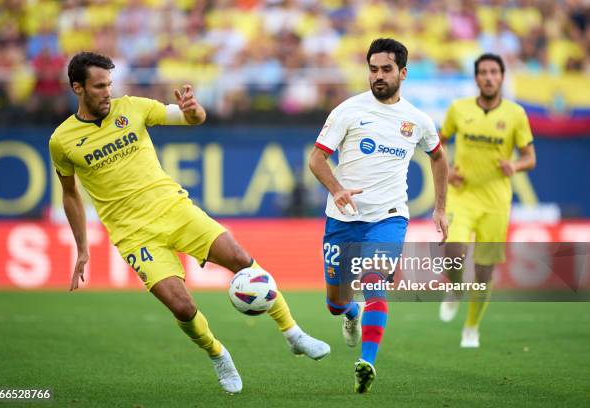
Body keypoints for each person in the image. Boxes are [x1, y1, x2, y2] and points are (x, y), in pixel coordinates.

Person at [49, 52, 330, 394]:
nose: (107, 92)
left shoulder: (133, 107)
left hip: (175, 210)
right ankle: (218, 354)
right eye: (99, 86)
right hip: (134, 235)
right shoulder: (62, 141)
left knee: (242, 260)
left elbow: (192, 119)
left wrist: (192, 109)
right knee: (182, 306)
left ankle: (294, 334)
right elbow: (70, 195)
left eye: (109, 84)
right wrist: (82, 247)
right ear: (77, 88)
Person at [309, 38, 448, 393]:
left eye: (386, 69)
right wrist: (337, 189)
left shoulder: (417, 120)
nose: (378, 76)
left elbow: (438, 157)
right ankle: (351, 314)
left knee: (374, 281)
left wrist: (440, 207)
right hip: (342, 218)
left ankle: (367, 362)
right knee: (335, 304)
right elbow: (317, 159)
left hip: (388, 217)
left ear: (403, 72)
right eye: (373, 69)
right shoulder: (348, 111)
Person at [438, 53, 536, 348]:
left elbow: (530, 157)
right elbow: (437, 143)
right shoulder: (459, 109)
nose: (489, 77)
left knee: (484, 270)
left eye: (494, 72)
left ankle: (471, 327)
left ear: (502, 77)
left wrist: (515, 166)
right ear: (476, 78)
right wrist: (447, 170)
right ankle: (455, 288)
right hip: (462, 195)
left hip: (495, 201)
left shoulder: (516, 114)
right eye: (483, 72)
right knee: (453, 249)